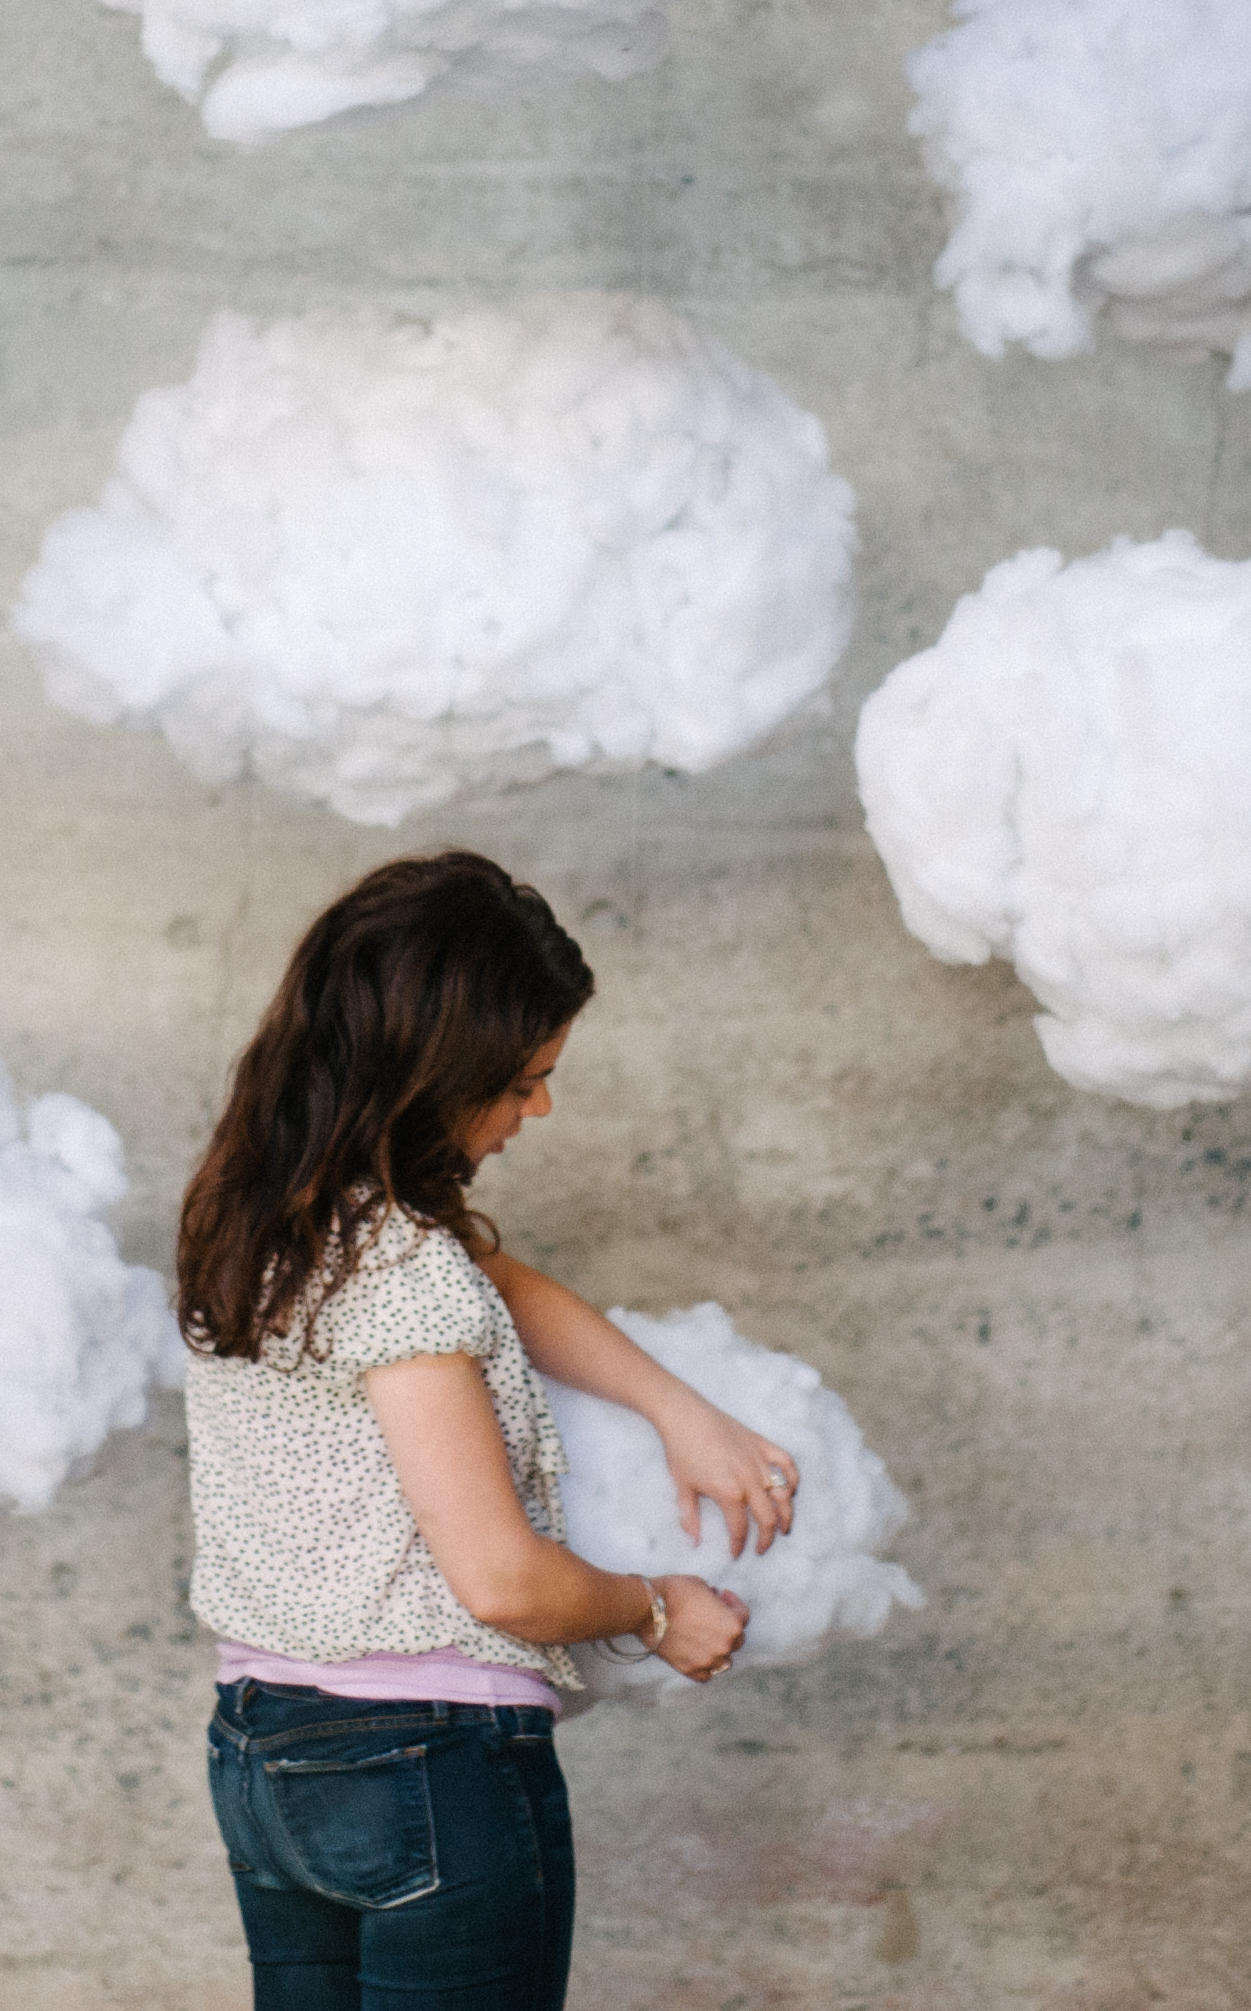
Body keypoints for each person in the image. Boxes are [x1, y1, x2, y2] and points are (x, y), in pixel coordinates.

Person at [178, 850, 801, 2011]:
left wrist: (677, 1409)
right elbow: (504, 1582)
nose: (539, 1109)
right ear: (431, 1072)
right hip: (421, 1762)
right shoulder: (404, 1271)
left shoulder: (266, 1224)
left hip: (264, 1758)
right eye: (519, 1081)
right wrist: (660, 1608)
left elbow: (500, 1285)